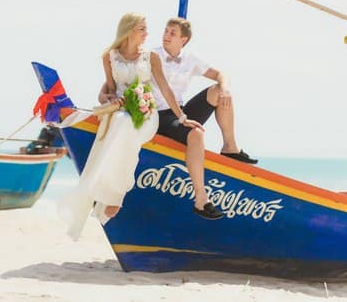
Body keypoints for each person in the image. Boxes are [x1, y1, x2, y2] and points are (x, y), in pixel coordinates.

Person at [61, 13, 215, 241]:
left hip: (146, 114)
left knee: (125, 126)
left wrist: (182, 117)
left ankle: (116, 195)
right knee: (120, 122)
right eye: (142, 29)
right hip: (121, 112)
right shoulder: (109, 56)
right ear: (130, 30)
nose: (147, 33)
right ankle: (103, 192)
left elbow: (165, 89)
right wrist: (107, 98)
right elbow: (110, 89)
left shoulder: (151, 56)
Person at [99, 17, 258, 165]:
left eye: (172, 33)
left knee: (218, 91)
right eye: (166, 31)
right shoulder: (150, 55)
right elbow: (120, 78)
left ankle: (230, 147)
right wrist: (104, 96)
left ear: (183, 40)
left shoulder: (190, 59)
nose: (166, 35)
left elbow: (221, 75)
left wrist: (225, 89)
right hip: (158, 114)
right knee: (186, 126)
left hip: (180, 112)